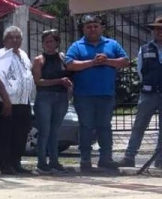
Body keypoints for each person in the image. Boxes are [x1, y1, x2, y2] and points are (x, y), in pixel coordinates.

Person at [64, 15, 129, 172]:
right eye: (88, 27)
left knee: (104, 127)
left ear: (101, 28)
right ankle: (85, 160)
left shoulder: (112, 44)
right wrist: (92, 62)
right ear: (83, 29)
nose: (92, 29)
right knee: (86, 127)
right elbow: (70, 64)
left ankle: (106, 159)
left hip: (106, 94)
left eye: (95, 26)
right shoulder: (77, 46)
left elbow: (125, 61)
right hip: (83, 95)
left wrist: (106, 61)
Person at [0, 26, 35, 175]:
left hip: (23, 102)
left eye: (18, 38)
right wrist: (6, 100)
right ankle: (5, 165)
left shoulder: (23, 54)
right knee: (5, 135)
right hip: (7, 102)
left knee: (21, 134)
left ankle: (16, 163)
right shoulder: (0, 55)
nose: (15, 40)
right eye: (11, 37)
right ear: (4, 40)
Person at [120, 16, 162, 169]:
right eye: (157, 29)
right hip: (148, 93)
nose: (159, 32)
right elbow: (140, 71)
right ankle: (129, 156)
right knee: (139, 125)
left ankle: (160, 160)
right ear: (153, 31)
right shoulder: (145, 49)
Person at [31, 29, 72, 174]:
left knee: (55, 131)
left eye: (52, 41)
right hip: (44, 97)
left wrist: (67, 84)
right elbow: (38, 81)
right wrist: (58, 81)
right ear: (42, 43)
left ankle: (54, 161)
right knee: (45, 131)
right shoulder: (39, 60)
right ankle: (42, 163)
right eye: (46, 41)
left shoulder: (62, 58)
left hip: (61, 97)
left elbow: (69, 73)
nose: (49, 44)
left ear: (57, 42)